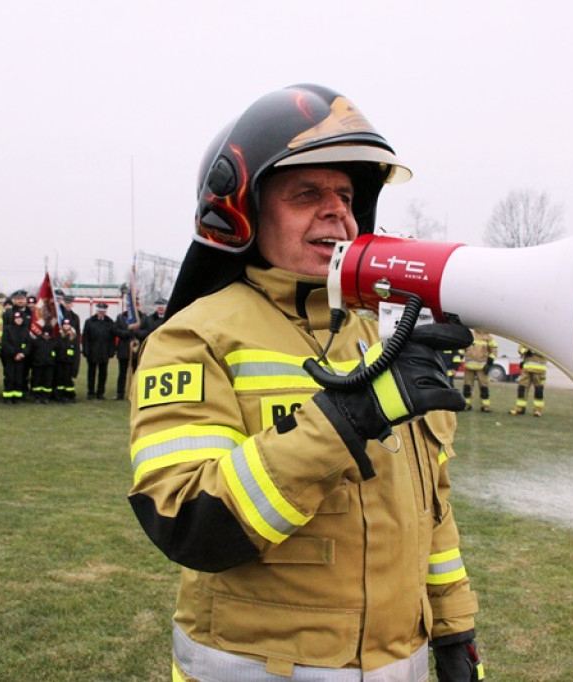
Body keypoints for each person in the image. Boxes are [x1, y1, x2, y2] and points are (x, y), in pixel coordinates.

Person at [128, 84, 482, 682]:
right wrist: (344, 420)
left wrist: (455, 631)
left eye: (346, 195)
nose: (336, 211)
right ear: (241, 208)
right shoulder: (194, 338)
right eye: (307, 193)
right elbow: (189, 520)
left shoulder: (381, 338)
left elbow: (432, 510)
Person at [82, 301, 116, 399]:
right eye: (100, 310)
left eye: (103, 311)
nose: (102, 312)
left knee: (103, 373)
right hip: (92, 351)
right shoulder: (89, 322)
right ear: (97, 310)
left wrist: (111, 351)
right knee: (91, 373)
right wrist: (85, 350)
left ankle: (100, 392)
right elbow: (85, 338)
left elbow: (112, 339)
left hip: (104, 351)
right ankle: (91, 392)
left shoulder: (110, 322)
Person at [113, 301, 145, 400]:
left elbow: (147, 330)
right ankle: (120, 393)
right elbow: (116, 330)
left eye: (136, 305)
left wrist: (137, 333)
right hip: (124, 350)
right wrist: (127, 333)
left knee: (137, 373)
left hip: (137, 350)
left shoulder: (143, 318)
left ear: (138, 306)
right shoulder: (121, 317)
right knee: (122, 373)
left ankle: (136, 393)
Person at [1, 310, 32, 403]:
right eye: (17, 318)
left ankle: (17, 397)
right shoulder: (7, 329)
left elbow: (28, 344)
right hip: (10, 358)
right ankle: (8, 397)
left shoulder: (25, 330)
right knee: (9, 377)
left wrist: (23, 353)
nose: (18, 320)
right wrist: (14, 354)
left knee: (19, 378)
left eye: (20, 318)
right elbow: (5, 343)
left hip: (21, 358)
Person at [461, 330, 498, 412]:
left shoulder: (488, 337)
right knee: (467, 387)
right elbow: (462, 348)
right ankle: (466, 405)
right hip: (469, 366)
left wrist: (489, 363)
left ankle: (485, 406)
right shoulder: (469, 334)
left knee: (484, 387)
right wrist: (459, 357)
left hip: (482, 367)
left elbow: (494, 350)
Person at [509, 346, 547, 417]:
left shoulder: (544, 340)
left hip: (539, 370)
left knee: (538, 390)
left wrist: (532, 351)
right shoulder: (528, 338)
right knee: (522, 389)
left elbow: (546, 352)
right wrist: (525, 351)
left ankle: (538, 411)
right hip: (526, 369)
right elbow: (520, 348)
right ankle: (520, 408)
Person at [30, 323, 57, 403]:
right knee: (37, 382)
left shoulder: (53, 342)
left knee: (47, 382)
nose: (46, 336)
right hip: (37, 365)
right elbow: (32, 353)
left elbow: (56, 354)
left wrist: (52, 361)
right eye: (45, 334)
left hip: (49, 366)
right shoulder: (37, 341)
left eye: (48, 334)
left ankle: (46, 397)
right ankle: (37, 397)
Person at [55, 318, 78, 402]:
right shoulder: (59, 337)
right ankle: (60, 395)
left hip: (69, 363)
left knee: (68, 381)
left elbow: (76, 354)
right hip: (60, 363)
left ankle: (70, 396)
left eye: (68, 324)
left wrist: (75, 366)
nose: (66, 326)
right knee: (60, 380)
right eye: (64, 324)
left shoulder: (74, 338)